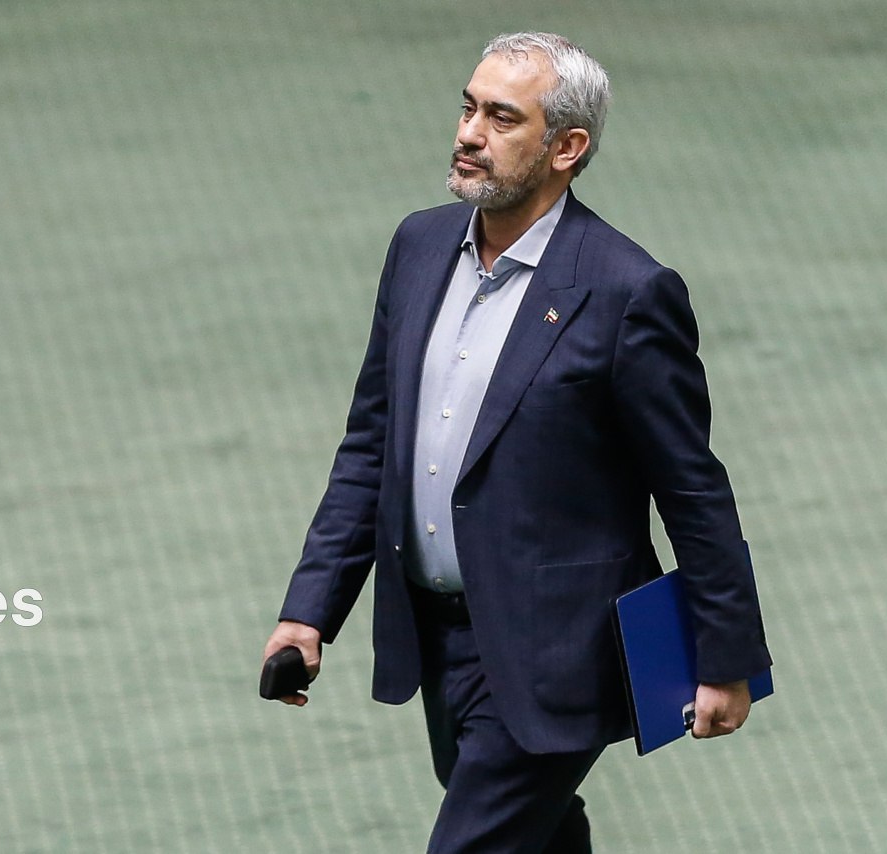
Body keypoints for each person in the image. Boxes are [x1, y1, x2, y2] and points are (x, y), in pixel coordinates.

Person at [261, 31, 772, 853]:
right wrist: (309, 610)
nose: (469, 132)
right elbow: (374, 445)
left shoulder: (627, 292)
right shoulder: (418, 247)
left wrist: (726, 656)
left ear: (567, 148)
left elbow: (692, 489)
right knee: (537, 836)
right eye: (469, 108)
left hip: (556, 648)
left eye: (502, 118)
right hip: (438, 638)